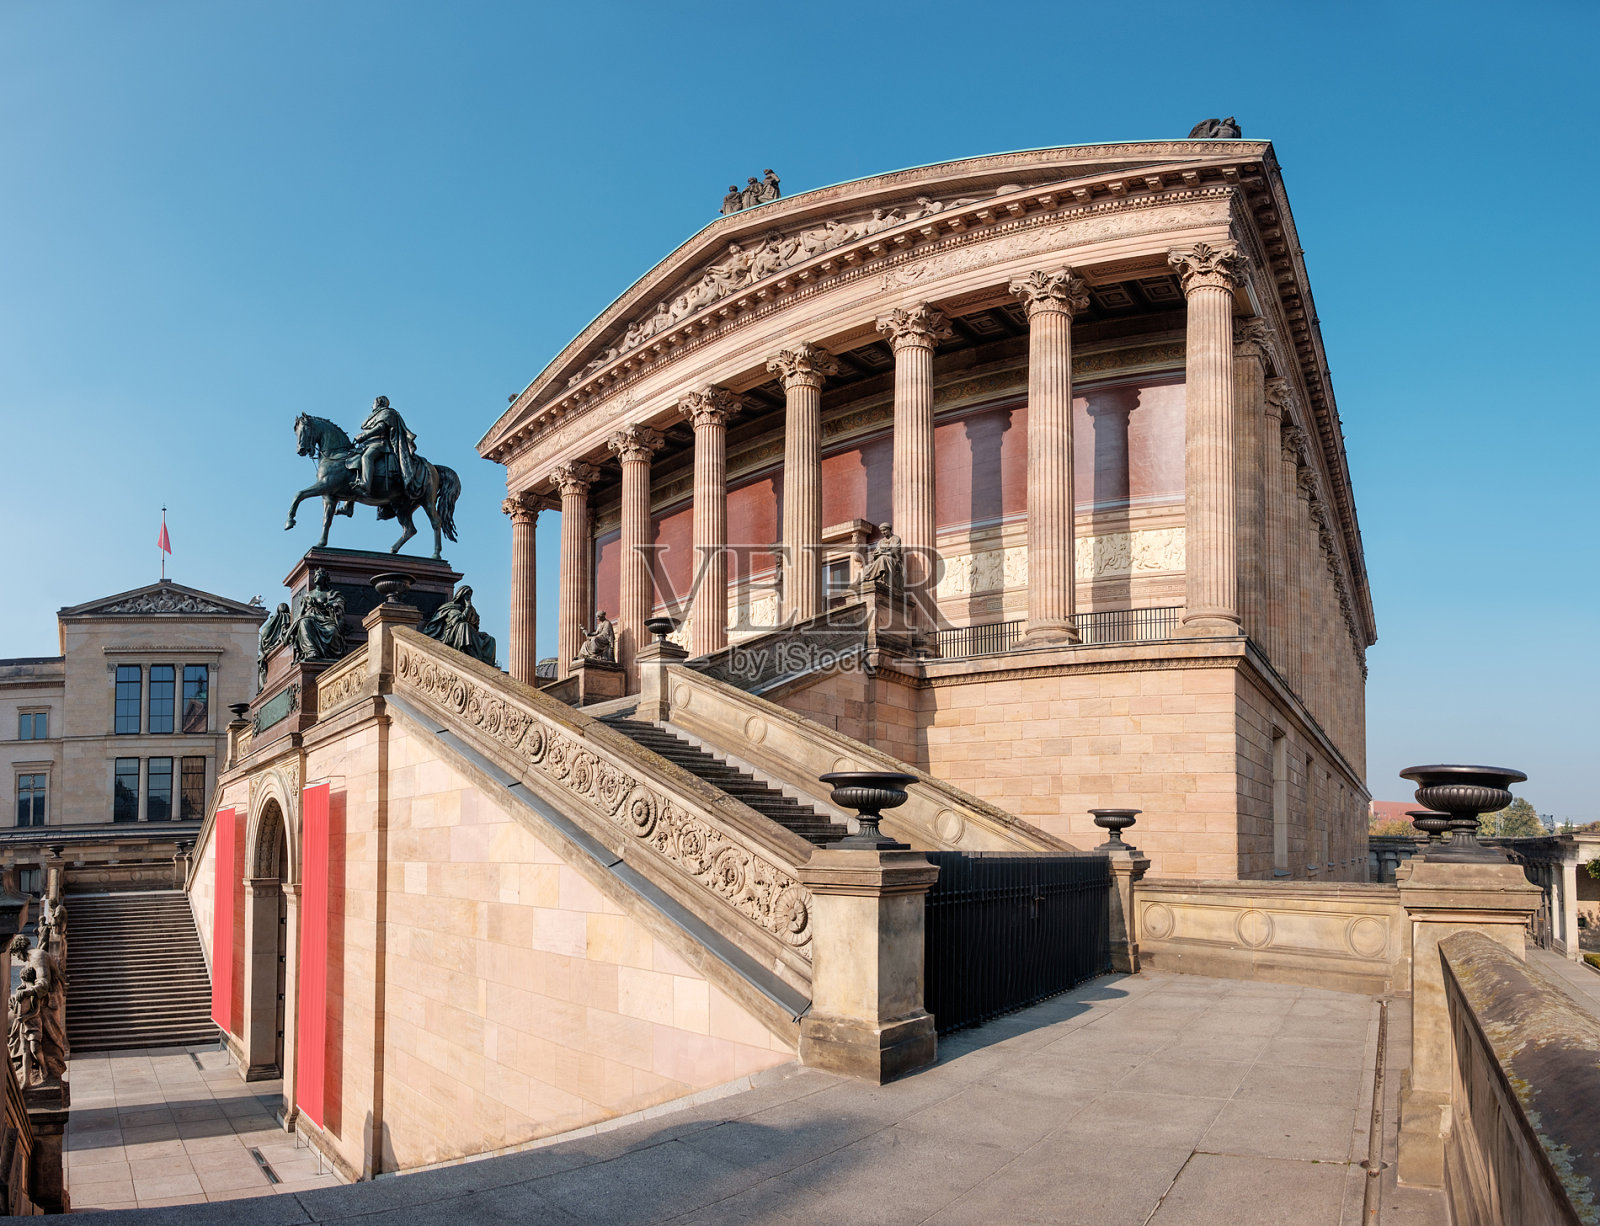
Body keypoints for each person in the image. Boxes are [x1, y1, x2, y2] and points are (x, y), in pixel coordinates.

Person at [350, 395, 421, 500]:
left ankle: (365, 485)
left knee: (367, 457)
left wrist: (363, 436)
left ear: (379, 402)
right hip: (368, 444)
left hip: (380, 443)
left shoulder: (387, 413)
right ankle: (348, 504)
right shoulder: (374, 415)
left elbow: (381, 427)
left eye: (373, 403)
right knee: (353, 461)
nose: (372, 405)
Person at [421, 585, 498, 666]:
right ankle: (465, 651)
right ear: (460, 595)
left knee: (490, 639)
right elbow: (460, 619)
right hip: (453, 634)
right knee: (464, 626)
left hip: (469, 634)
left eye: (470, 595)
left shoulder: (471, 609)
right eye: (466, 595)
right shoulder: (451, 607)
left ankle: (485, 663)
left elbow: (476, 622)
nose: (468, 597)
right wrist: (467, 607)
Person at [291, 568, 347, 662]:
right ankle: (311, 651)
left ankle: (332, 655)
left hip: (326, 619)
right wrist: (293, 626)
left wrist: (329, 604)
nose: (316, 576)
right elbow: (301, 613)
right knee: (304, 622)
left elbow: (340, 603)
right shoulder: (308, 595)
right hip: (310, 618)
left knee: (333, 631)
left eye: (319, 574)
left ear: (324, 578)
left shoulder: (331, 594)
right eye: (315, 575)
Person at [858, 523, 904, 591]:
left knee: (883, 558)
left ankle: (867, 577)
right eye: (882, 531)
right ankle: (868, 578)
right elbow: (876, 552)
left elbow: (895, 551)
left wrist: (884, 552)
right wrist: (879, 552)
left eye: (884, 530)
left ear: (889, 529)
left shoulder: (896, 539)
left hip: (894, 561)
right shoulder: (881, 541)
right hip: (882, 559)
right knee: (867, 567)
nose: (883, 532)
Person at [257, 601, 292, 686]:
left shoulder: (270, 623)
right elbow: (284, 629)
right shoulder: (287, 617)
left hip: (269, 647)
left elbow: (263, 643)